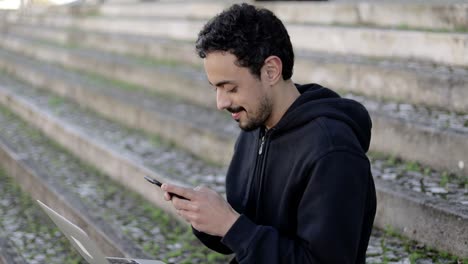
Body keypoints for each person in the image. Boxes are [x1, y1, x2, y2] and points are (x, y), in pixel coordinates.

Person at [161, 3, 376, 263]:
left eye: (229, 88)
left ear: (271, 70)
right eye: (215, 88)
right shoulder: (255, 127)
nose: (221, 102)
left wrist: (231, 226)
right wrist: (205, 216)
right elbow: (246, 234)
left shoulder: (333, 151)